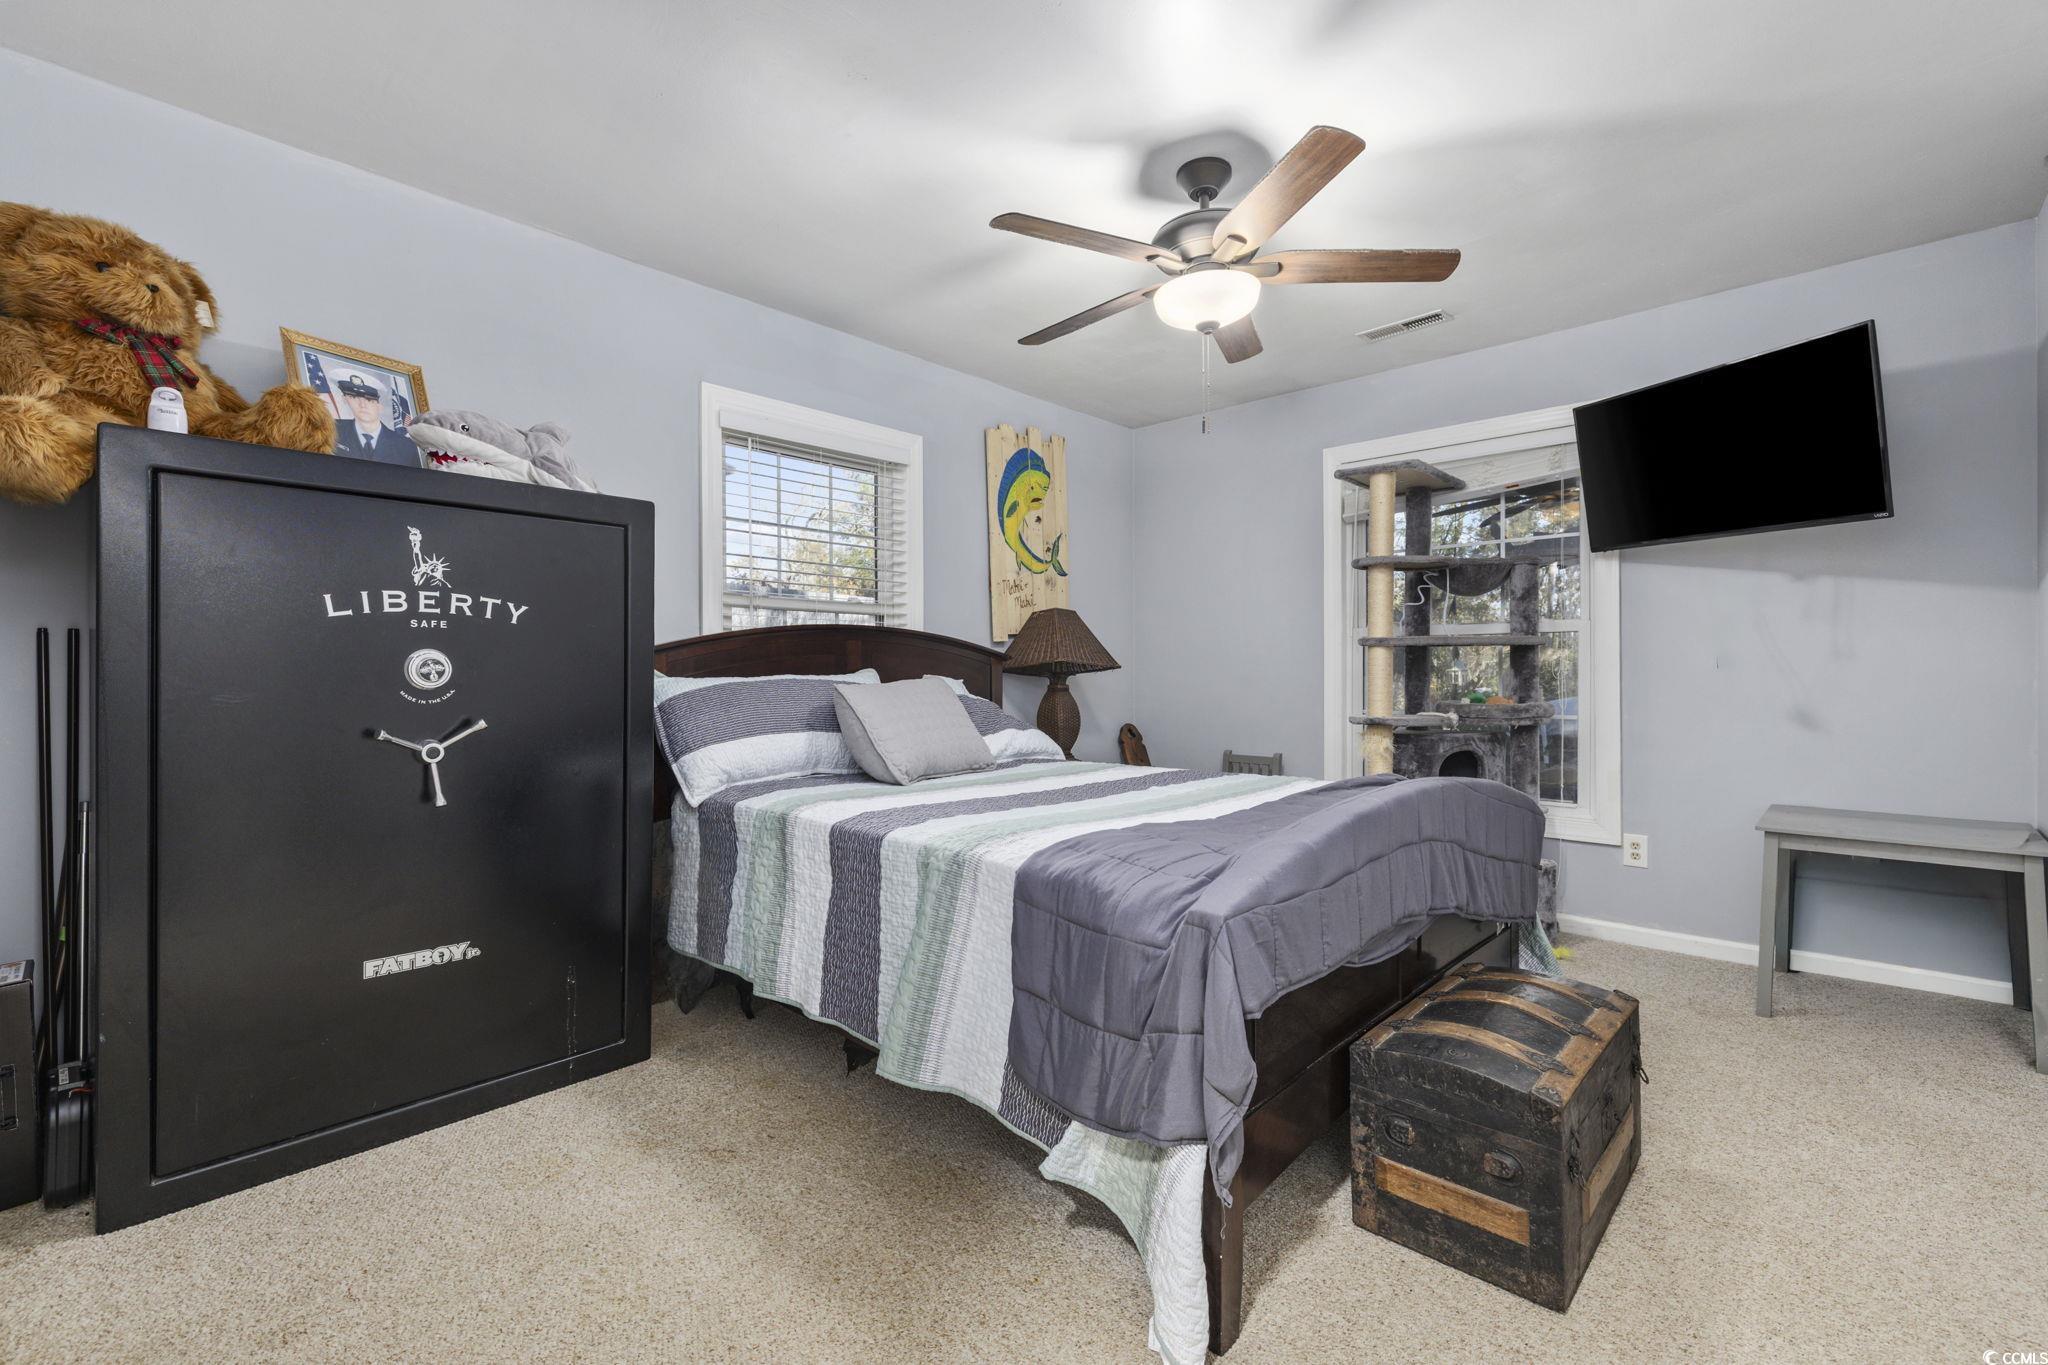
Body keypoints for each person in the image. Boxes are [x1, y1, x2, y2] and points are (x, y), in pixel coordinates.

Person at [330, 371, 409, 465]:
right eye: (353, 397)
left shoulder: (405, 445)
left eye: (369, 399)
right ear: (345, 399)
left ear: (380, 405)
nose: (362, 405)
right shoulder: (330, 429)